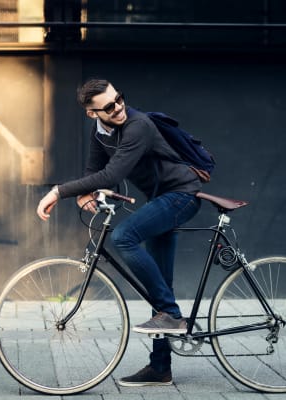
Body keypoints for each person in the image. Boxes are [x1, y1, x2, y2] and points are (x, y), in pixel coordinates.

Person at [37, 78, 202, 387]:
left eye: (119, 99)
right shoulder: (100, 132)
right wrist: (86, 192)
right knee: (159, 283)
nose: (119, 108)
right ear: (92, 113)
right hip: (161, 199)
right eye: (109, 107)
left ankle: (170, 314)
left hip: (182, 195)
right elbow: (94, 171)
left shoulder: (138, 125)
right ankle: (160, 367)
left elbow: (113, 174)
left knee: (124, 236)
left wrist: (59, 191)